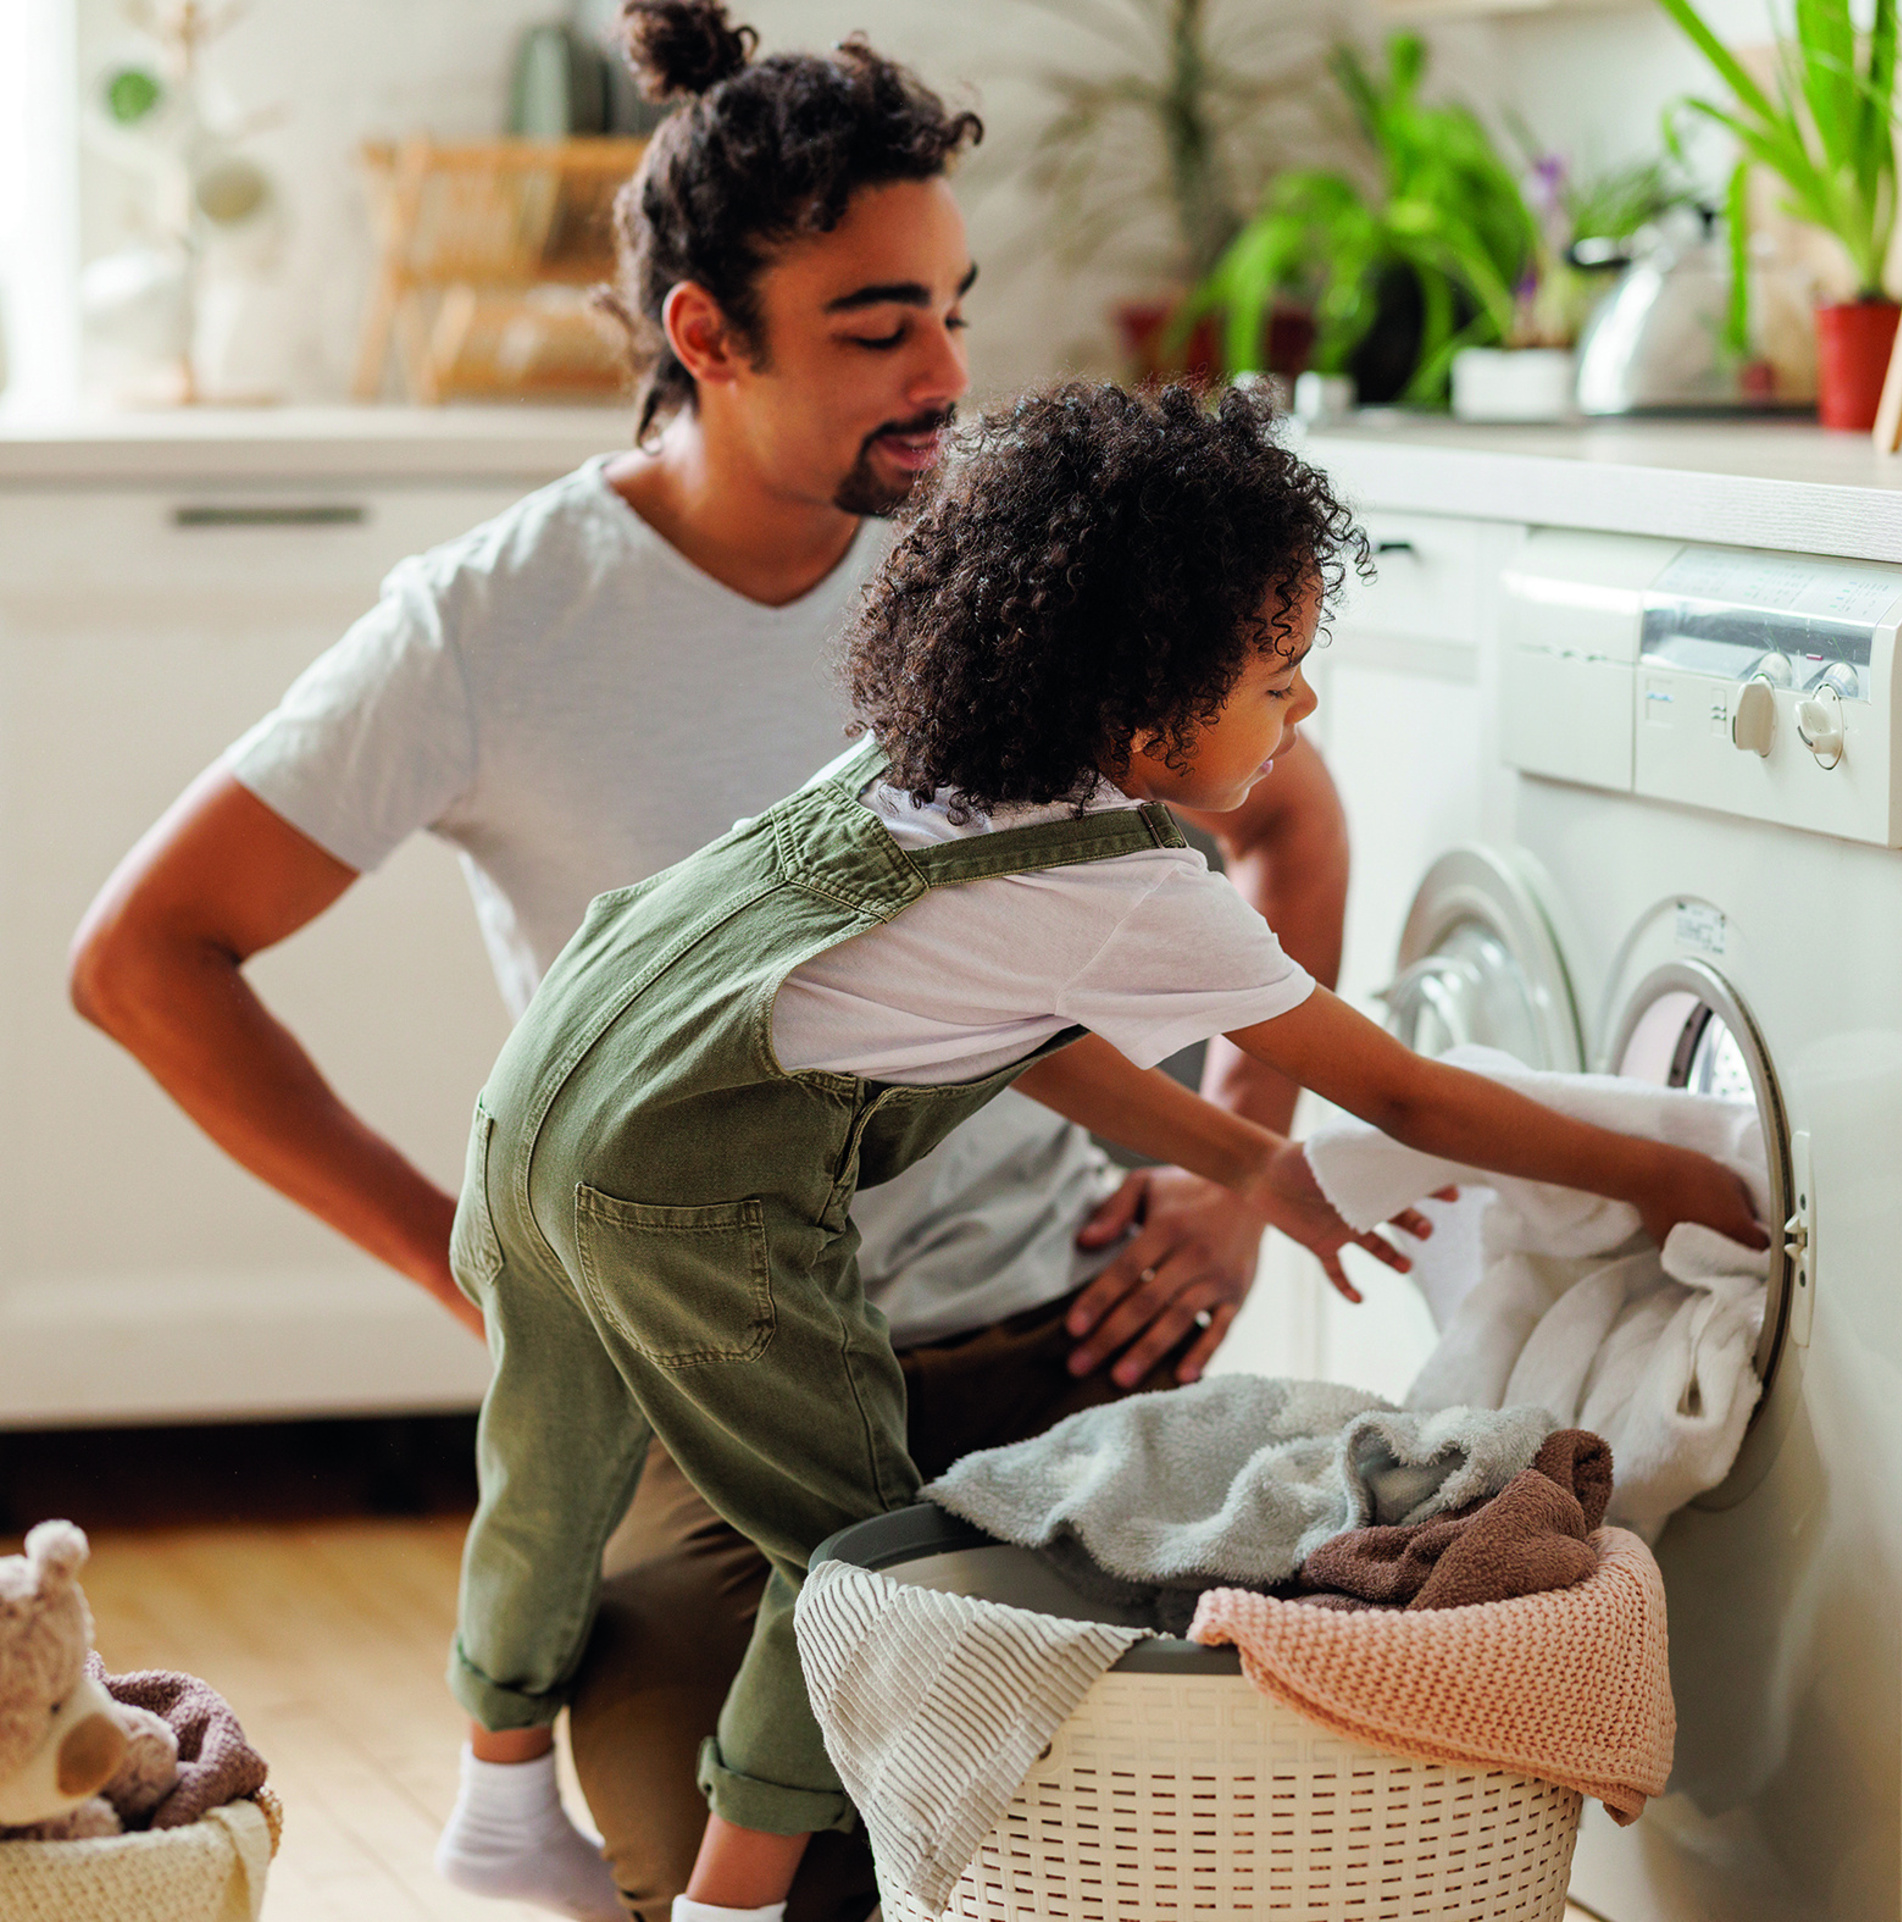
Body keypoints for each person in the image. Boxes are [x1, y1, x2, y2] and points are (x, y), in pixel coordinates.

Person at [66, 7, 1353, 1920]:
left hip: (1050, 1332)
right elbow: (148, 957)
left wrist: (1233, 1172)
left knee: (1134, 1843)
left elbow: (1287, 815)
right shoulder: (496, 626)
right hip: (706, 1397)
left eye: (952, 308)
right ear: (704, 333)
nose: (947, 376)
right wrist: (488, 1273)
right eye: (875, 327)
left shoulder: (1006, 544)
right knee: (772, 1864)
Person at [450, 378, 1766, 1922]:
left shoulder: (928, 765)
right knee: (860, 1560)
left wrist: (1255, 1167)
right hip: (691, 1194)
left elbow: (1033, 1036)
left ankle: (495, 1801)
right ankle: (732, 1913)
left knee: (550, 1457)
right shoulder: (1138, 884)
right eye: (1279, 678)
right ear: (1150, 717)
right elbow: (1409, 1097)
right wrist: (1689, 1172)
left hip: (545, 1101)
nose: (1306, 711)